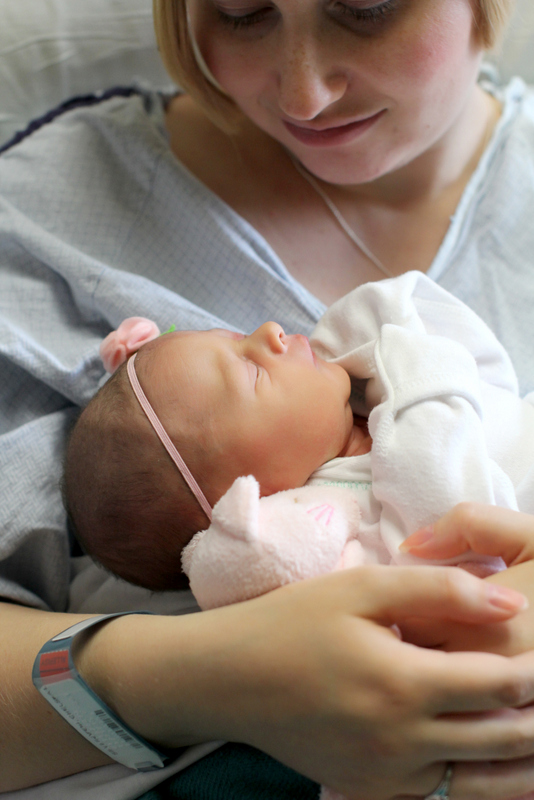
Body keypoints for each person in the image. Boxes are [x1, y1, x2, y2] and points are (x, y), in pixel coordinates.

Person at [3, 0, 534, 798]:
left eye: (366, 7)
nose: (304, 95)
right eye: (242, 12)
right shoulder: (48, 214)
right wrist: (211, 674)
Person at [64, 271, 534, 594]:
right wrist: (415, 377)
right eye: (252, 372)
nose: (270, 331)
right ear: (247, 499)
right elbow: (458, 533)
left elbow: (459, 345)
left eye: (238, 338)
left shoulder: (364, 378)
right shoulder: (344, 526)